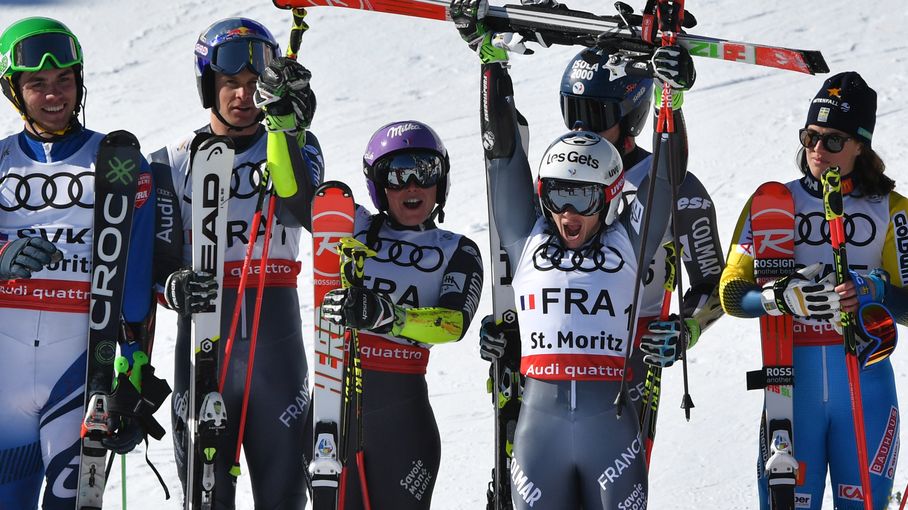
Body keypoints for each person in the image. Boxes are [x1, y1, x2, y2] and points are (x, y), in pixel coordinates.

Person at [452, 1, 696, 506]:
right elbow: (501, 154)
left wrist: (672, 94)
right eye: (557, 196)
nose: (568, 214)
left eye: (582, 198)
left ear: (610, 195)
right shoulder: (529, 238)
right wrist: (490, 59)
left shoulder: (629, 239)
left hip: (611, 432)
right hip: (539, 434)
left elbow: (669, 176)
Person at [151, 17, 321, 509]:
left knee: (284, 497)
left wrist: (287, 129)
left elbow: (303, 207)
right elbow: (156, 264)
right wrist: (174, 287)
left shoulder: (298, 147)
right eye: (231, 84)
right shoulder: (171, 162)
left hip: (277, 354)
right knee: (205, 501)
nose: (243, 97)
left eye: (253, 85)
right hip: (202, 350)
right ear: (209, 85)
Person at [720, 71, 906, 509]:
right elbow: (731, 292)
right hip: (791, 384)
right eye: (810, 137)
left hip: (865, 382)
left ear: (861, 145)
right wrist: (776, 298)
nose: (817, 150)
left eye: (833, 141)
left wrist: (872, 287)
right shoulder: (772, 202)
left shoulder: (890, 209)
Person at [0, 17, 159, 509]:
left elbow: (135, 277)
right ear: (13, 89)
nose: (53, 94)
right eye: (37, 84)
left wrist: (133, 370)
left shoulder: (117, 160)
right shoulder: (1, 161)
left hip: (78, 364)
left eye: (64, 79)